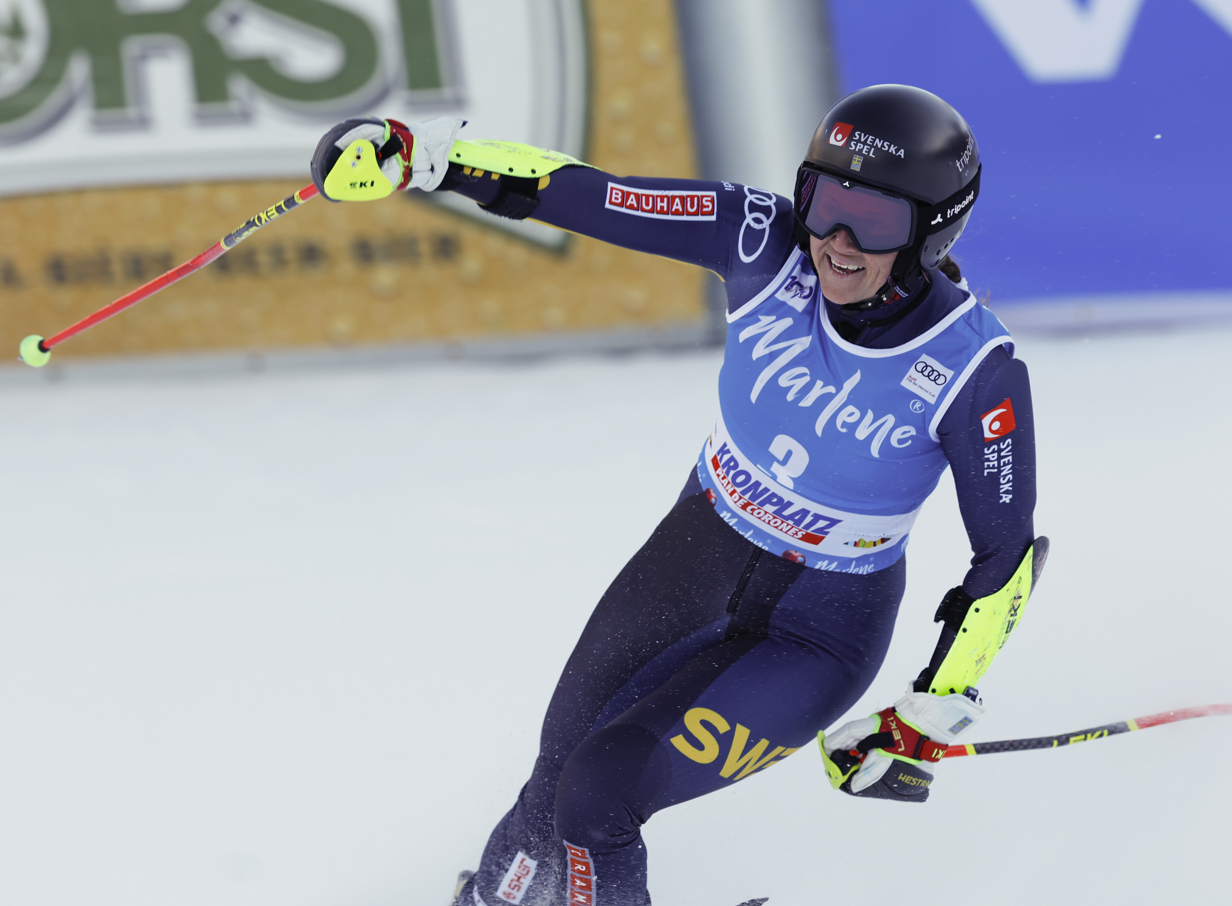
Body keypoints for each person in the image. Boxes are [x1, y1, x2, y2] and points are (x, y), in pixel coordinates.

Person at [311, 84, 1042, 906]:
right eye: (824, 201)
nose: (835, 240)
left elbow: (1005, 560)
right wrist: (427, 159)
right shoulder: (763, 239)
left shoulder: (975, 369)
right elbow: (588, 193)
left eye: (873, 223)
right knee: (556, 778)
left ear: (934, 229)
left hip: (820, 632)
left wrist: (932, 708)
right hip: (697, 552)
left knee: (598, 796)